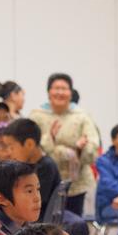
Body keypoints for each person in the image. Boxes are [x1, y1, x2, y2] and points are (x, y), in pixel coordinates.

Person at [28, 73, 100, 217]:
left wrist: (80, 150)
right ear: (49, 92)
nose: (60, 92)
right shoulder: (36, 115)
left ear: (71, 93)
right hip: (42, 182)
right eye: (56, 88)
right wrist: (50, 139)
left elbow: (93, 147)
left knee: (73, 224)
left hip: (76, 183)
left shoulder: (82, 116)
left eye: (64, 89)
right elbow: (28, 147)